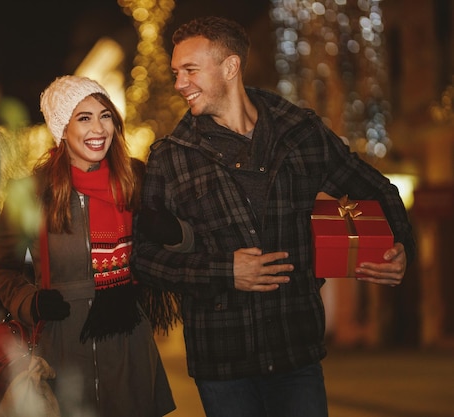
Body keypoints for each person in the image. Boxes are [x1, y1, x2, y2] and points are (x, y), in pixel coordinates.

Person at [131, 16, 416, 417]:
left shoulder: (302, 132)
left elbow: (378, 190)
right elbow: (142, 257)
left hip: (296, 354)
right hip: (222, 363)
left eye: (190, 70)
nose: (179, 83)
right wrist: (225, 272)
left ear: (230, 67)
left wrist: (401, 243)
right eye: (177, 72)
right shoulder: (170, 155)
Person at [0, 75, 177, 417]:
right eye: (84, 118)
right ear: (62, 127)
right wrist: (30, 301)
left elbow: (172, 249)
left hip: (128, 342)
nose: (98, 128)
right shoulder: (29, 193)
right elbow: (0, 269)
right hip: (61, 346)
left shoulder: (135, 177)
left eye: (105, 115)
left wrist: (173, 232)